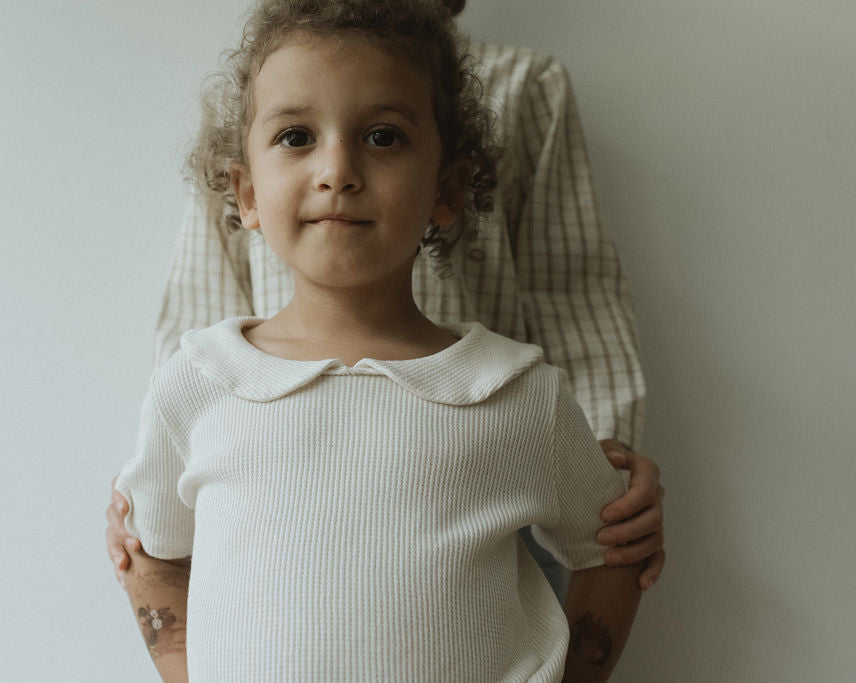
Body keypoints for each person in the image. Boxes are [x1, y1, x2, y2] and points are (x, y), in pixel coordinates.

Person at [113, 1, 651, 680]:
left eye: (384, 137)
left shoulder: (521, 394)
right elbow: (151, 554)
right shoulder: (196, 384)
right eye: (297, 136)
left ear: (448, 189)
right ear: (245, 193)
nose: (338, 169)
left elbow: (613, 548)